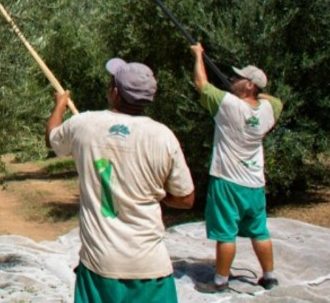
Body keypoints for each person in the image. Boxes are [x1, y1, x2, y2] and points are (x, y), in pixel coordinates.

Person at [46, 58, 195, 303]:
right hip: (150, 267)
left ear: (115, 92)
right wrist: (158, 193)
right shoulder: (163, 136)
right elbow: (186, 199)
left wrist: (60, 106)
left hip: (100, 267)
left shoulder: (84, 124)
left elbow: (52, 138)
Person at [191, 43, 284, 293]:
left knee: (225, 234)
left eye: (239, 78)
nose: (233, 79)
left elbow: (202, 85)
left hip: (227, 181)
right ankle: (270, 277)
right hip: (254, 183)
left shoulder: (230, 106)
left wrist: (198, 55)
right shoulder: (267, 111)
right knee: (259, 231)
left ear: (250, 84)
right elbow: (277, 102)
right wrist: (256, 95)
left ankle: (220, 281)